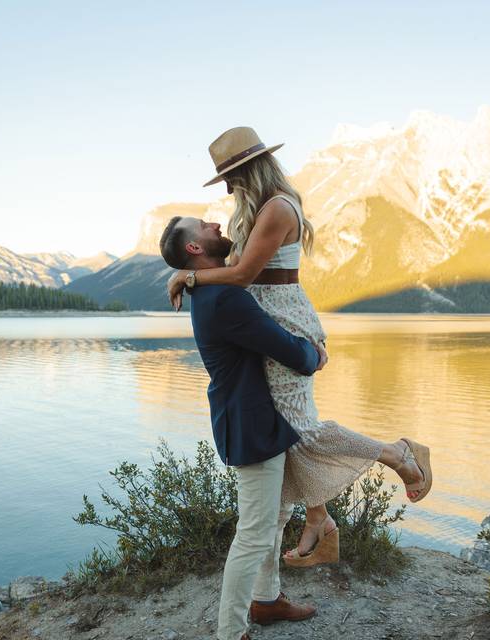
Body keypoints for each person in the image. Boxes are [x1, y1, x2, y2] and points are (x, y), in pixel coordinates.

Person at [166, 126, 432, 567]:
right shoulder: (257, 209)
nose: (229, 187)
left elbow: (242, 274)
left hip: (283, 321)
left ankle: (398, 455)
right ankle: (319, 521)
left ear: (249, 169)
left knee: (301, 431)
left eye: (231, 176)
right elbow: (237, 271)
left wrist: (187, 276)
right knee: (283, 430)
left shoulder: (276, 209)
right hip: (266, 320)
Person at [158, 217, 324, 640]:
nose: (215, 223)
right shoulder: (224, 299)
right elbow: (287, 351)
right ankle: (231, 633)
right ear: (195, 248)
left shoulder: (210, 288)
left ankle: (267, 601)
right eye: (204, 226)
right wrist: (315, 355)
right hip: (251, 424)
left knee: (276, 517)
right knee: (252, 534)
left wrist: (187, 276)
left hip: (254, 418)